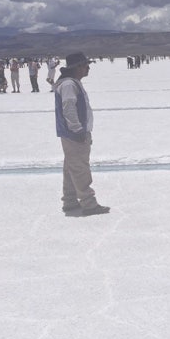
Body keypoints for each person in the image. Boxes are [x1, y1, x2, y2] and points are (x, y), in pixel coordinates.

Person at [54, 52, 109, 216]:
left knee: (71, 168)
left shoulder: (72, 83)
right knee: (80, 169)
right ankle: (89, 204)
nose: (88, 68)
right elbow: (69, 108)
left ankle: (70, 201)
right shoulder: (69, 84)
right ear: (77, 67)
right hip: (74, 135)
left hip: (71, 134)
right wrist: (77, 130)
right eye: (85, 65)